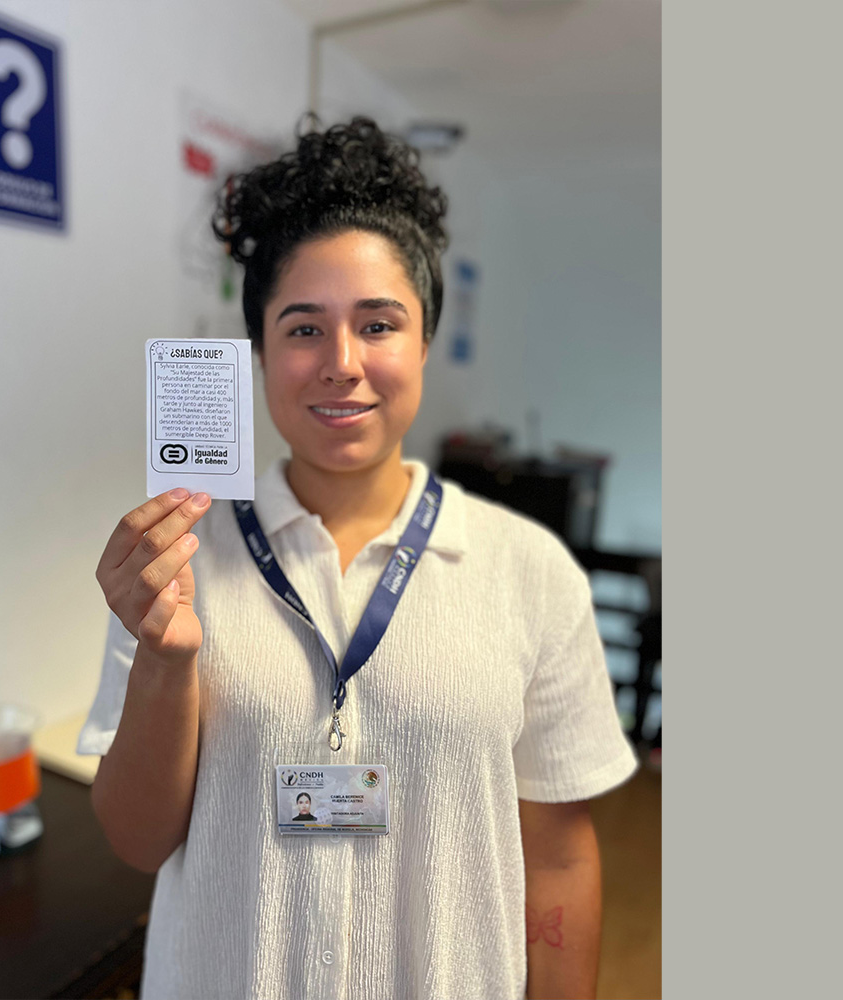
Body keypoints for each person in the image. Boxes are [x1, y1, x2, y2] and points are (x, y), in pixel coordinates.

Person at [79, 116, 636, 1000]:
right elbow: (137, 842)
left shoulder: (530, 572)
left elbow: (561, 857)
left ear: (423, 342)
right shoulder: (176, 563)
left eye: (378, 324)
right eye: (303, 329)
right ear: (260, 354)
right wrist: (165, 659)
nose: (342, 363)